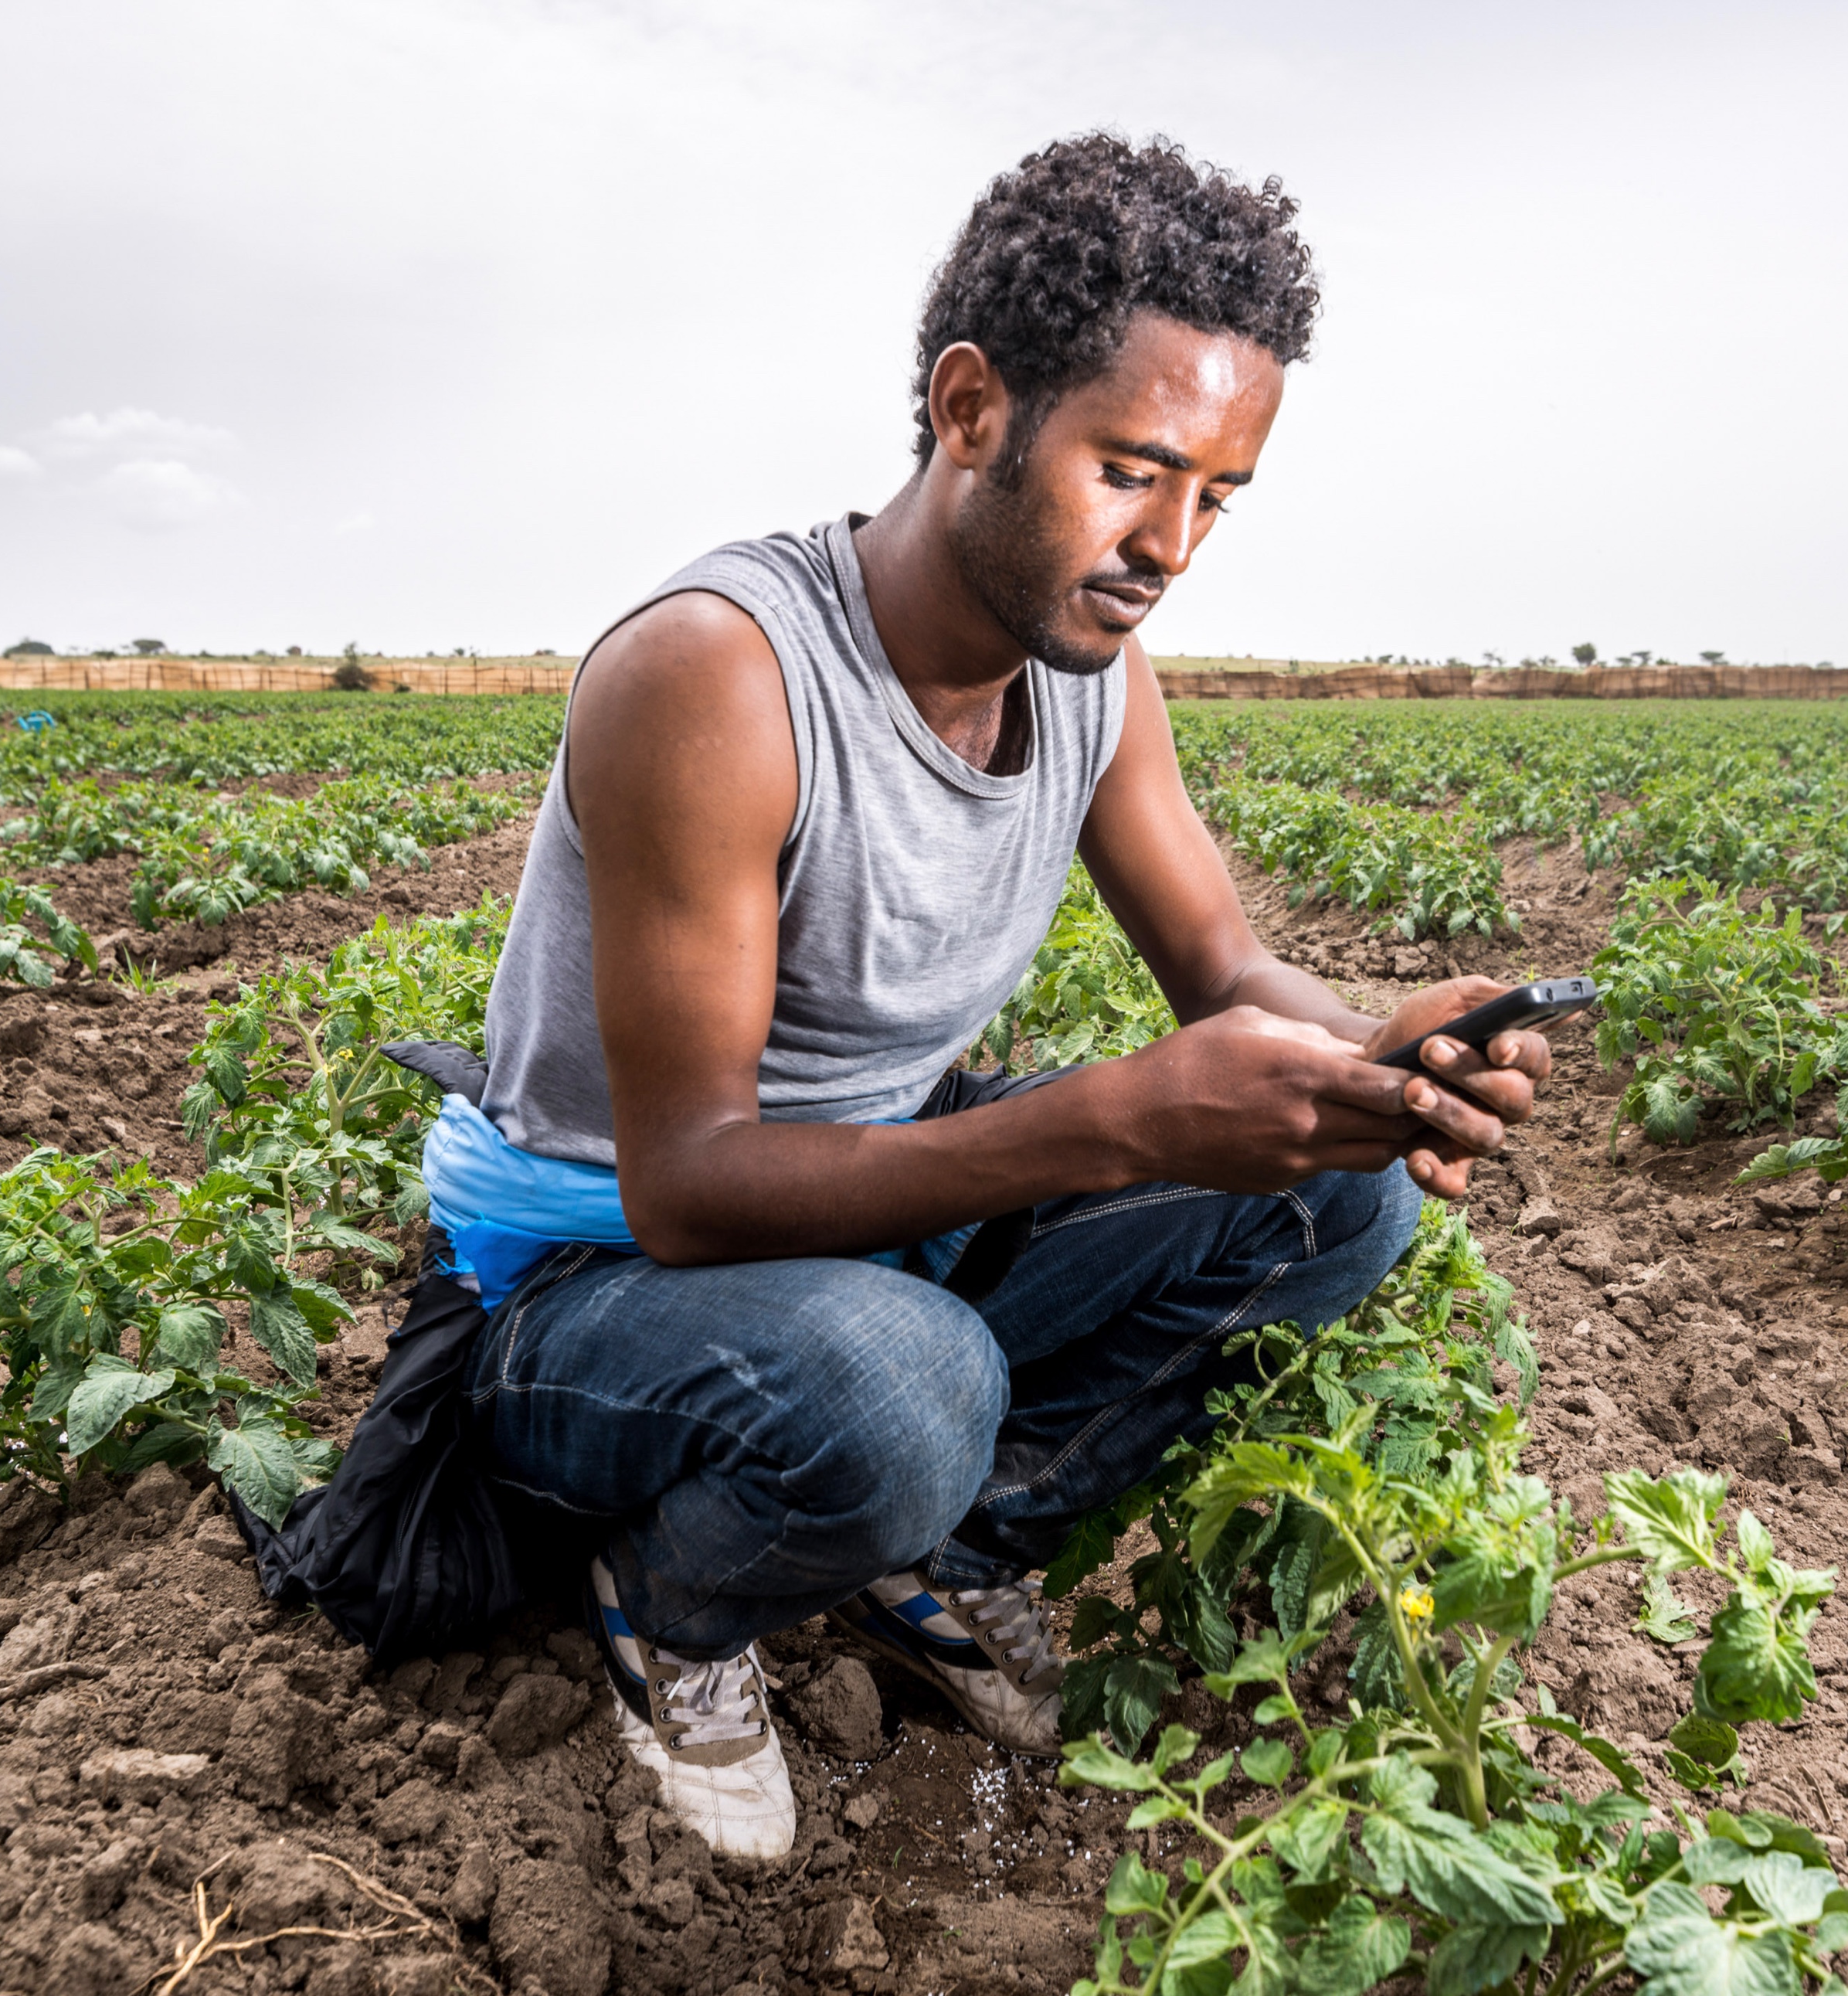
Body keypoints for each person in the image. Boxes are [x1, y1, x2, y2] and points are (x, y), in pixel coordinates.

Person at [455, 133, 1552, 1861]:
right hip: (599, 1276)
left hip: (862, 1208)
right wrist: (1108, 1126)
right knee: (909, 1387)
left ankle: (923, 1552)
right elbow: (687, 1184)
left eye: (1220, 498)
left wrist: (1378, 1056)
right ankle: (673, 1600)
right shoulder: (720, 675)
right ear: (973, 411)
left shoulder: (1095, 679)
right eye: (1134, 469)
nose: (1174, 543)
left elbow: (1229, 968)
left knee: (1340, 1198)